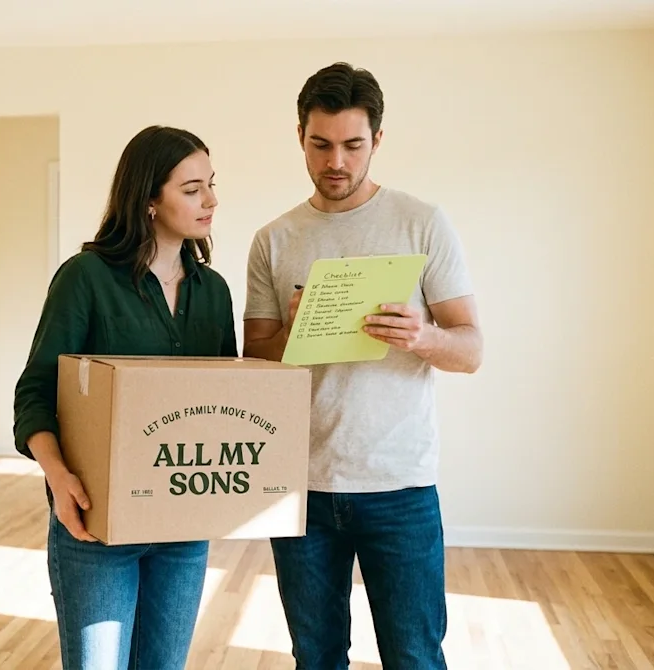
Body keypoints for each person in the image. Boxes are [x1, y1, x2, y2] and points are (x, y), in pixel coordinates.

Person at [242, 62, 483, 669]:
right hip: (301, 488)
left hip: (399, 487)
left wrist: (422, 335)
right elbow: (254, 358)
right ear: (300, 136)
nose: (336, 162)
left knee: (414, 658)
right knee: (316, 657)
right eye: (320, 145)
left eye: (353, 145)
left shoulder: (421, 222)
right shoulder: (273, 239)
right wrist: (291, 334)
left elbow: (472, 349)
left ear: (377, 139)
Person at [12, 124, 236, 670]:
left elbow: (230, 404)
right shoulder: (84, 279)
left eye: (210, 184)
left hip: (184, 528)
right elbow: (35, 392)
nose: (210, 199)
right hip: (95, 529)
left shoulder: (214, 292)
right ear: (149, 201)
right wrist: (58, 478)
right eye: (191, 189)